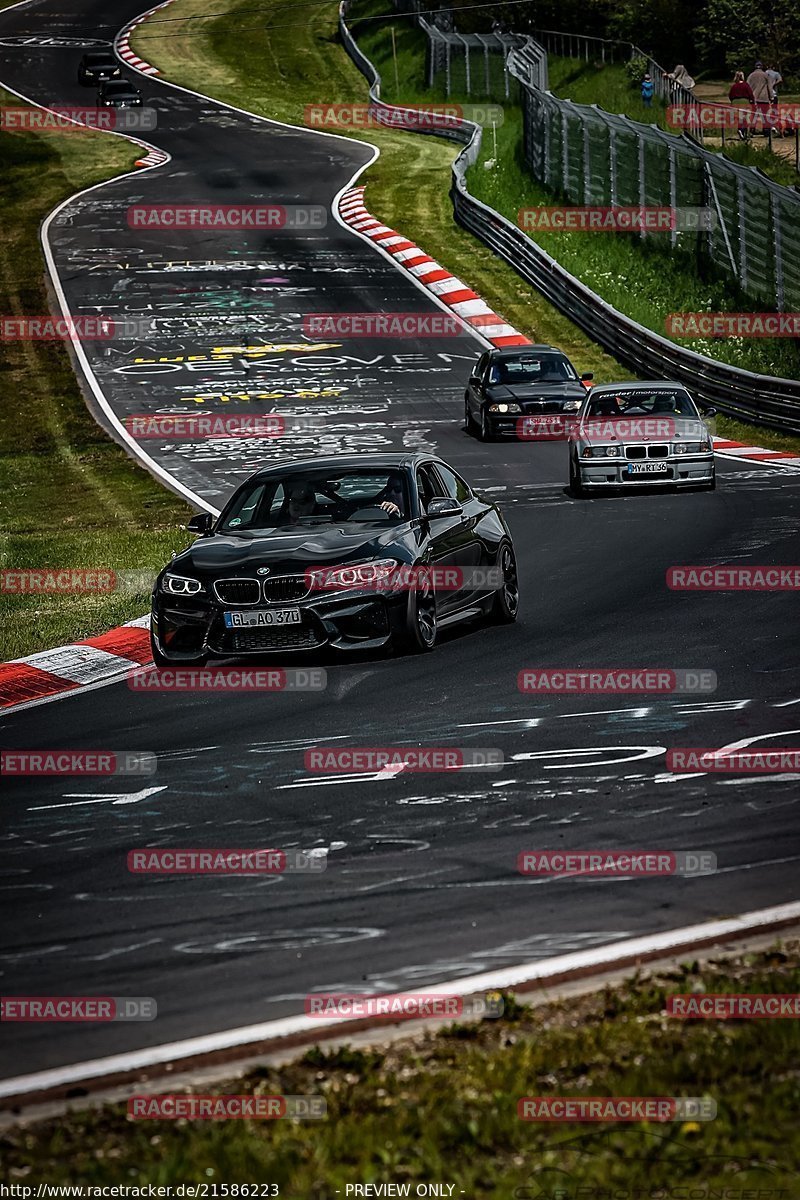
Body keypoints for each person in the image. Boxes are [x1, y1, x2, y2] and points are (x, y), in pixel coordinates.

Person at [729, 70, 755, 139]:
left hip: (735, 102)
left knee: (739, 118)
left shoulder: (734, 86)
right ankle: (743, 131)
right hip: (744, 102)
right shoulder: (746, 85)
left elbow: (730, 95)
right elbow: (750, 94)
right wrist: (752, 101)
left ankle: (740, 130)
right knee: (745, 118)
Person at [747, 62, 772, 131]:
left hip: (754, 98)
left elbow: (747, 86)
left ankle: (752, 129)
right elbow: (770, 87)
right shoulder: (766, 75)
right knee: (765, 115)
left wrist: (749, 96)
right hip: (764, 98)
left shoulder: (751, 75)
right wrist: (771, 97)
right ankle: (766, 129)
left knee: (754, 115)